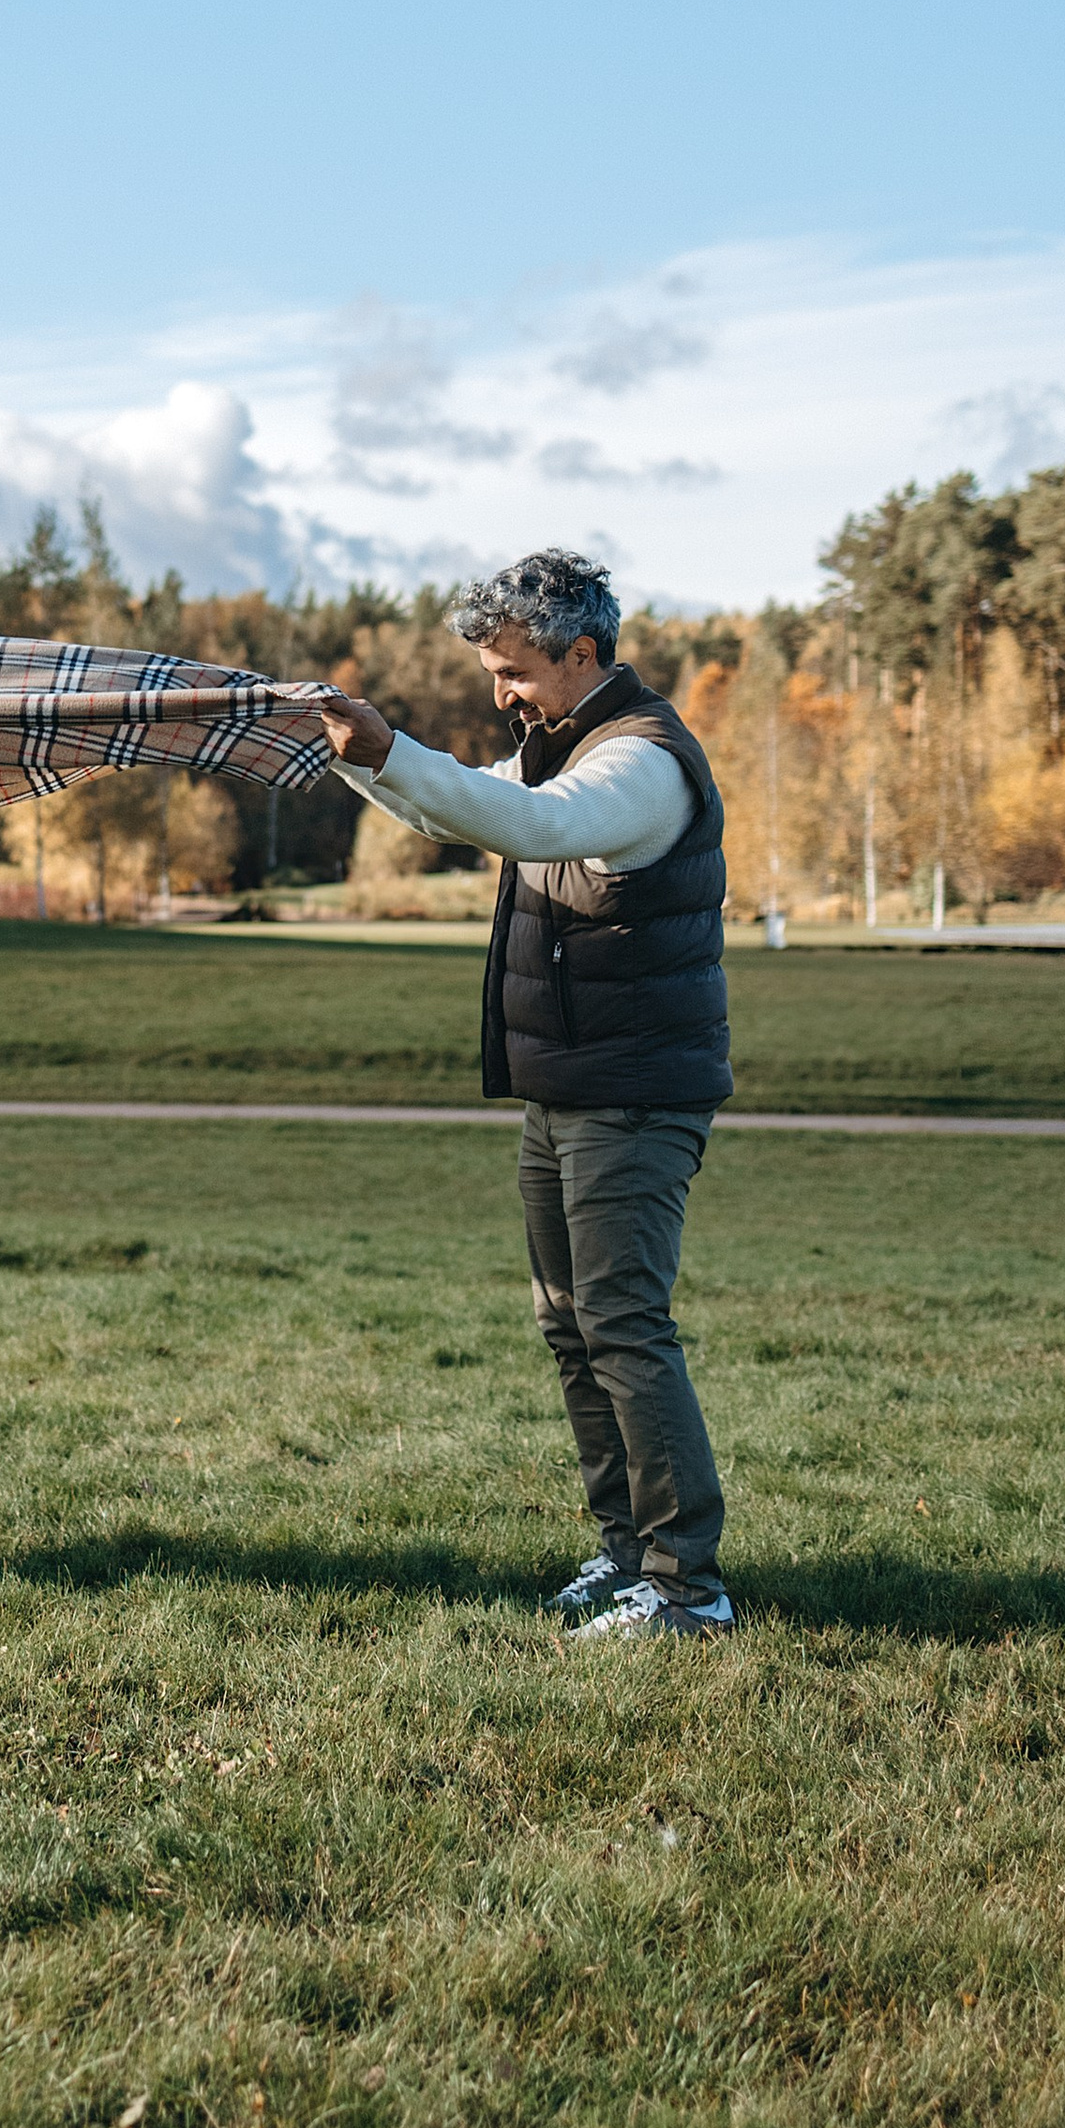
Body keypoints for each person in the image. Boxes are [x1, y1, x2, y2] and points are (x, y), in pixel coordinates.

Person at [316, 548, 736, 1640]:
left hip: (632, 1094)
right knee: (569, 1325)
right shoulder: (560, 754)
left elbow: (535, 829)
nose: (498, 692)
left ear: (581, 652)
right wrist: (356, 760)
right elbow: (457, 817)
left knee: (624, 1324)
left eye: (511, 670)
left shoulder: (638, 761)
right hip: (565, 1090)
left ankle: (688, 1587)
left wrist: (390, 746)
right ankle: (623, 1555)